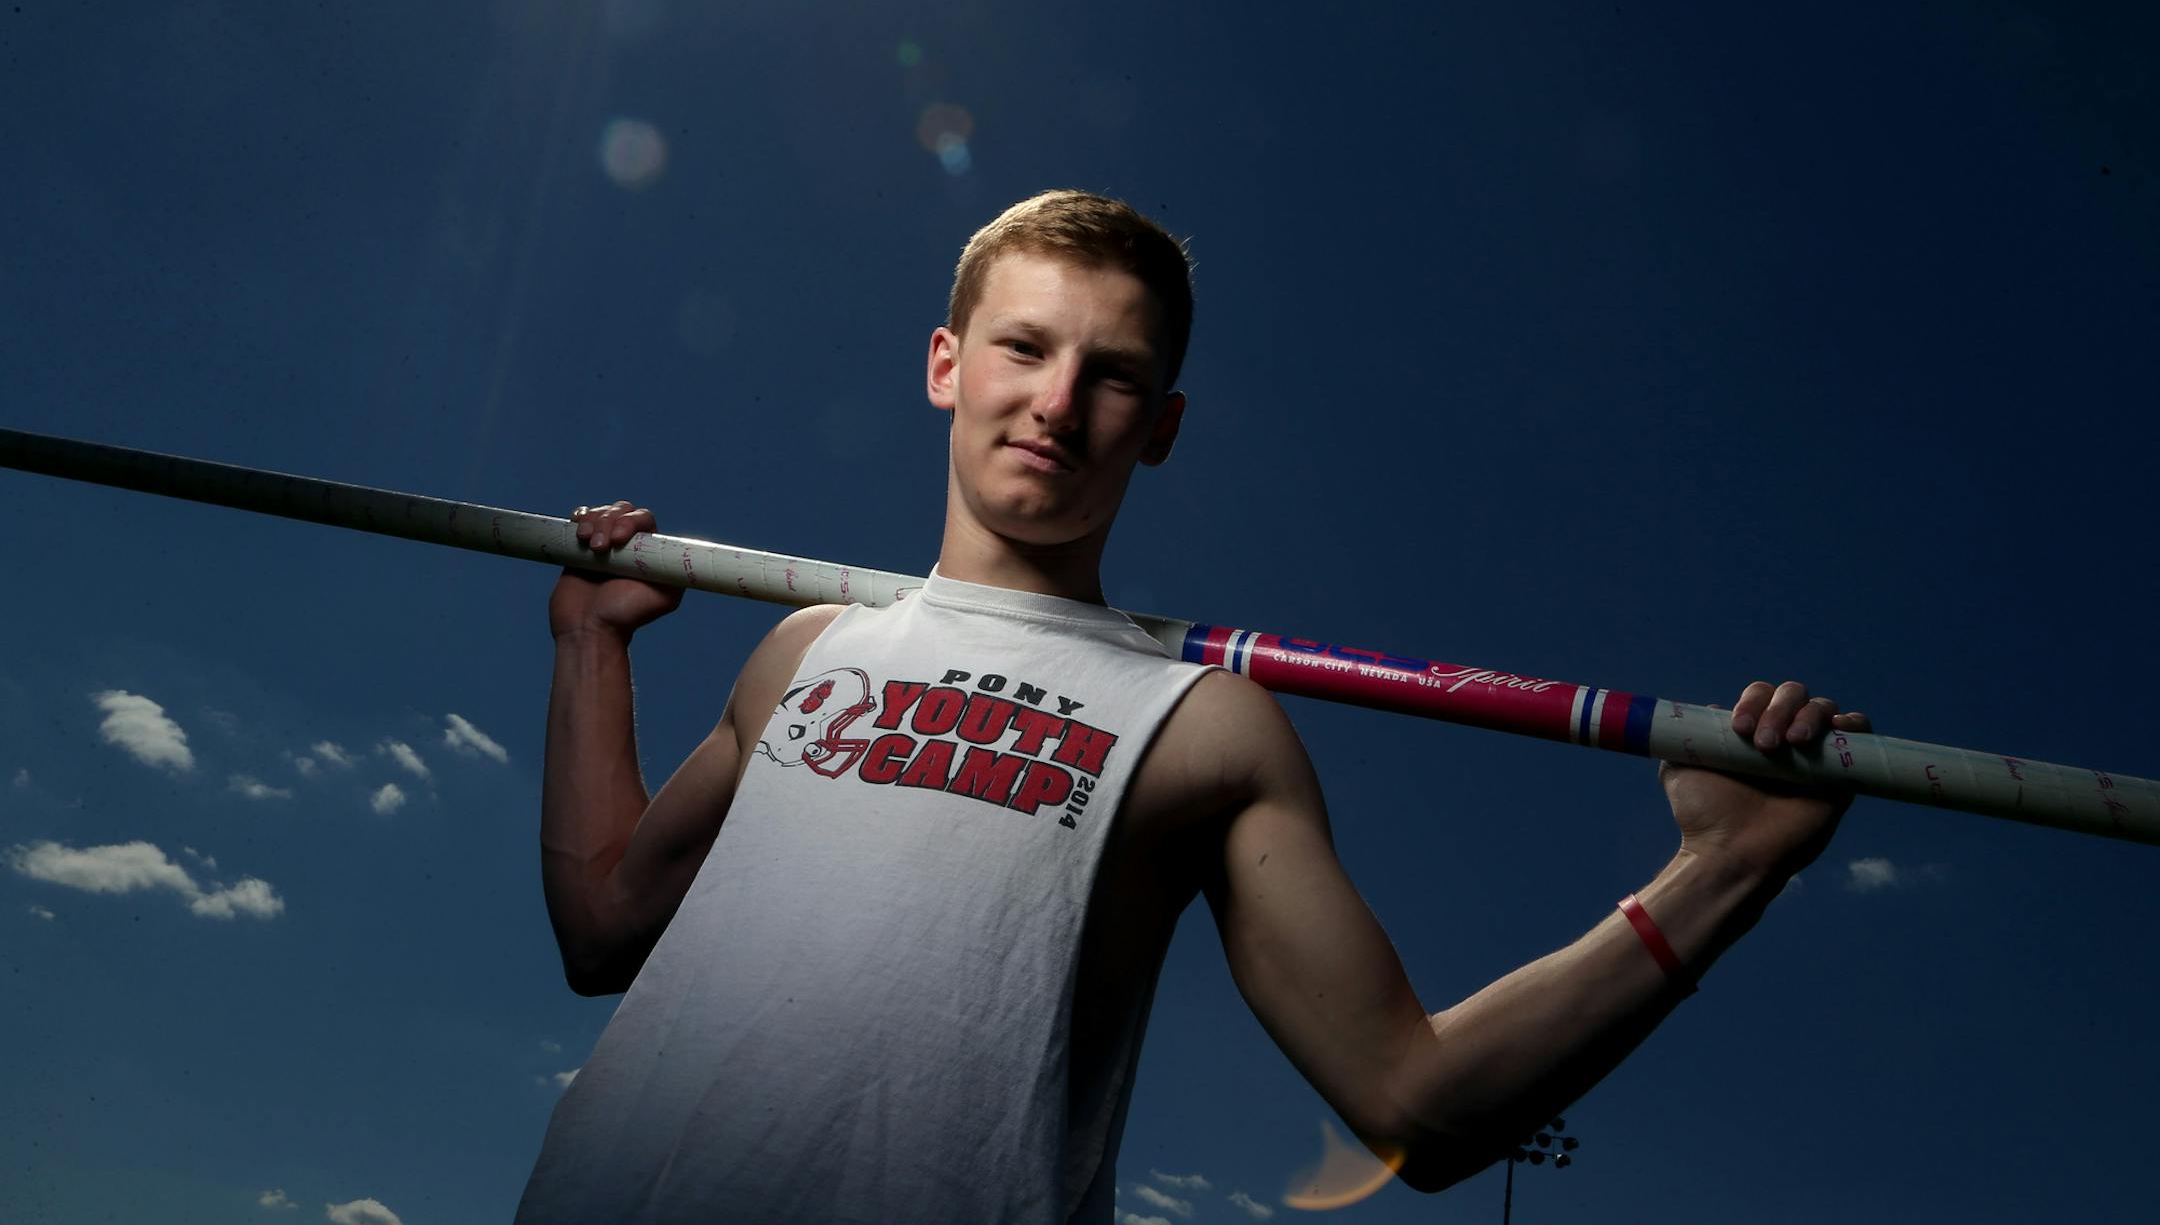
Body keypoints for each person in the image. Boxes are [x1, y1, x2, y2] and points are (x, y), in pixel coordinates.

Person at [516, 190, 1871, 1222]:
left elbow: (1418, 1108)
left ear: (1159, 424)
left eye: (1111, 375)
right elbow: (605, 928)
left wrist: (1724, 871)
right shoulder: (806, 650)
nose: (1057, 403)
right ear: (947, 364)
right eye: (1024, 349)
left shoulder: (1204, 724)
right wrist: (591, 645)